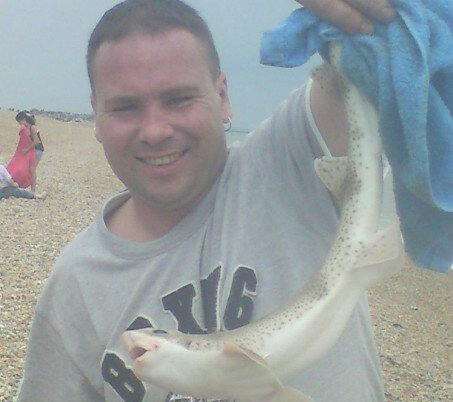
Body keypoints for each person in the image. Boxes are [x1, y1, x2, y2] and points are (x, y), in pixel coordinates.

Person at [17, 1, 400, 401]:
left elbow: (370, 56)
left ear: (222, 96)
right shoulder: (74, 287)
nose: (155, 131)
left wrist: (356, 21)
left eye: (179, 99)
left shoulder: (290, 161)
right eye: (126, 107)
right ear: (96, 115)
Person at [7, 111, 38, 195]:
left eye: (19, 121)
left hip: (33, 151)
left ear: (24, 119)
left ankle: (33, 190)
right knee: (19, 167)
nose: (19, 123)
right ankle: (18, 185)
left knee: (32, 171)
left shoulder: (32, 127)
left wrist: (27, 149)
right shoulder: (24, 127)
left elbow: (36, 141)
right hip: (26, 151)